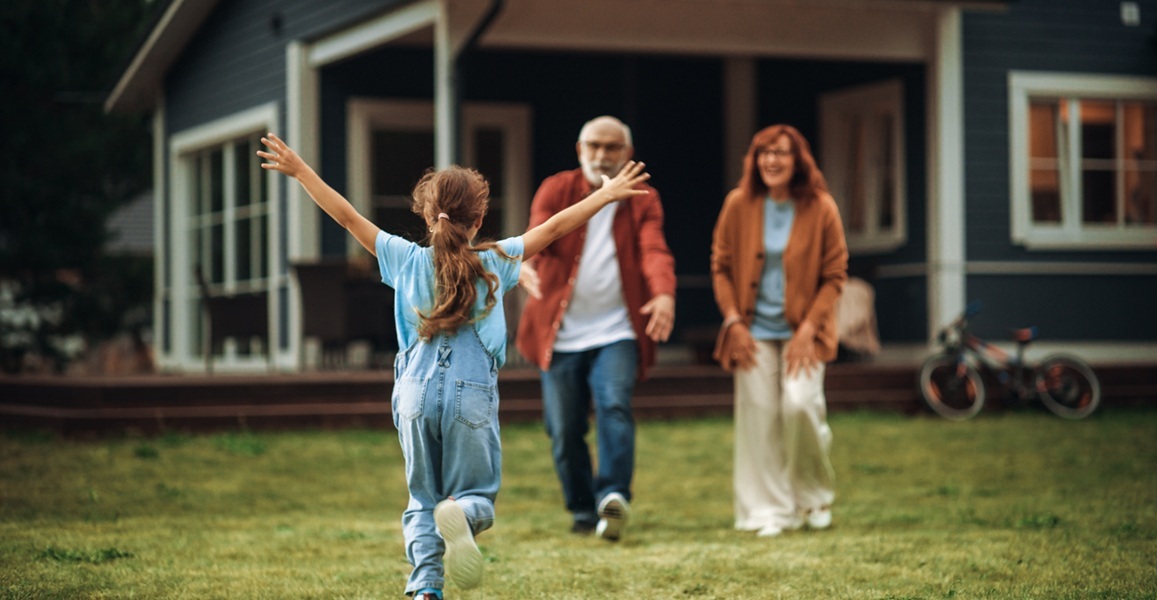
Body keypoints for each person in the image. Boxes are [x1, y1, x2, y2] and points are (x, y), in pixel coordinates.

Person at [259, 133, 650, 599]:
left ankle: (425, 589)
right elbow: (556, 228)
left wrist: (301, 170)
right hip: (472, 394)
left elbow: (346, 217)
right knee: (476, 497)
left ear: (426, 216)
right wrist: (604, 195)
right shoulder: (497, 260)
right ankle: (463, 516)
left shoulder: (404, 259)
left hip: (414, 394)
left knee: (422, 500)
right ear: (480, 218)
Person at [515, 116, 676, 541]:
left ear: (627, 153)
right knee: (563, 429)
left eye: (612, 147)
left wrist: (663, 293)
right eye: (594, 146)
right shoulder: (556, 188)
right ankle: (584, 510)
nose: (602, 155)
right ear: (579, 149)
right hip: (559, 332)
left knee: (615, 405)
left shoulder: (644, 198)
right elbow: (539, 233)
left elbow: (654, 250)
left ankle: (614, 496)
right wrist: (526, 266)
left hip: (616, 330)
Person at [710, 124, 848, 538]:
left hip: (803, 332)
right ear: (754, 160)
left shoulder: (822, 207)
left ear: (798, 160)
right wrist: (733, 320)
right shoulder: (738, 203)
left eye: (781, 153)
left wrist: (809, 329)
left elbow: (835, 274)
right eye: (764, 152)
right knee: (761, 419)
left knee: (800, 406)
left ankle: (814, 497)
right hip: (752, 332)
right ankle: (770, 512)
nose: (772, 160)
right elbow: (721, 267)